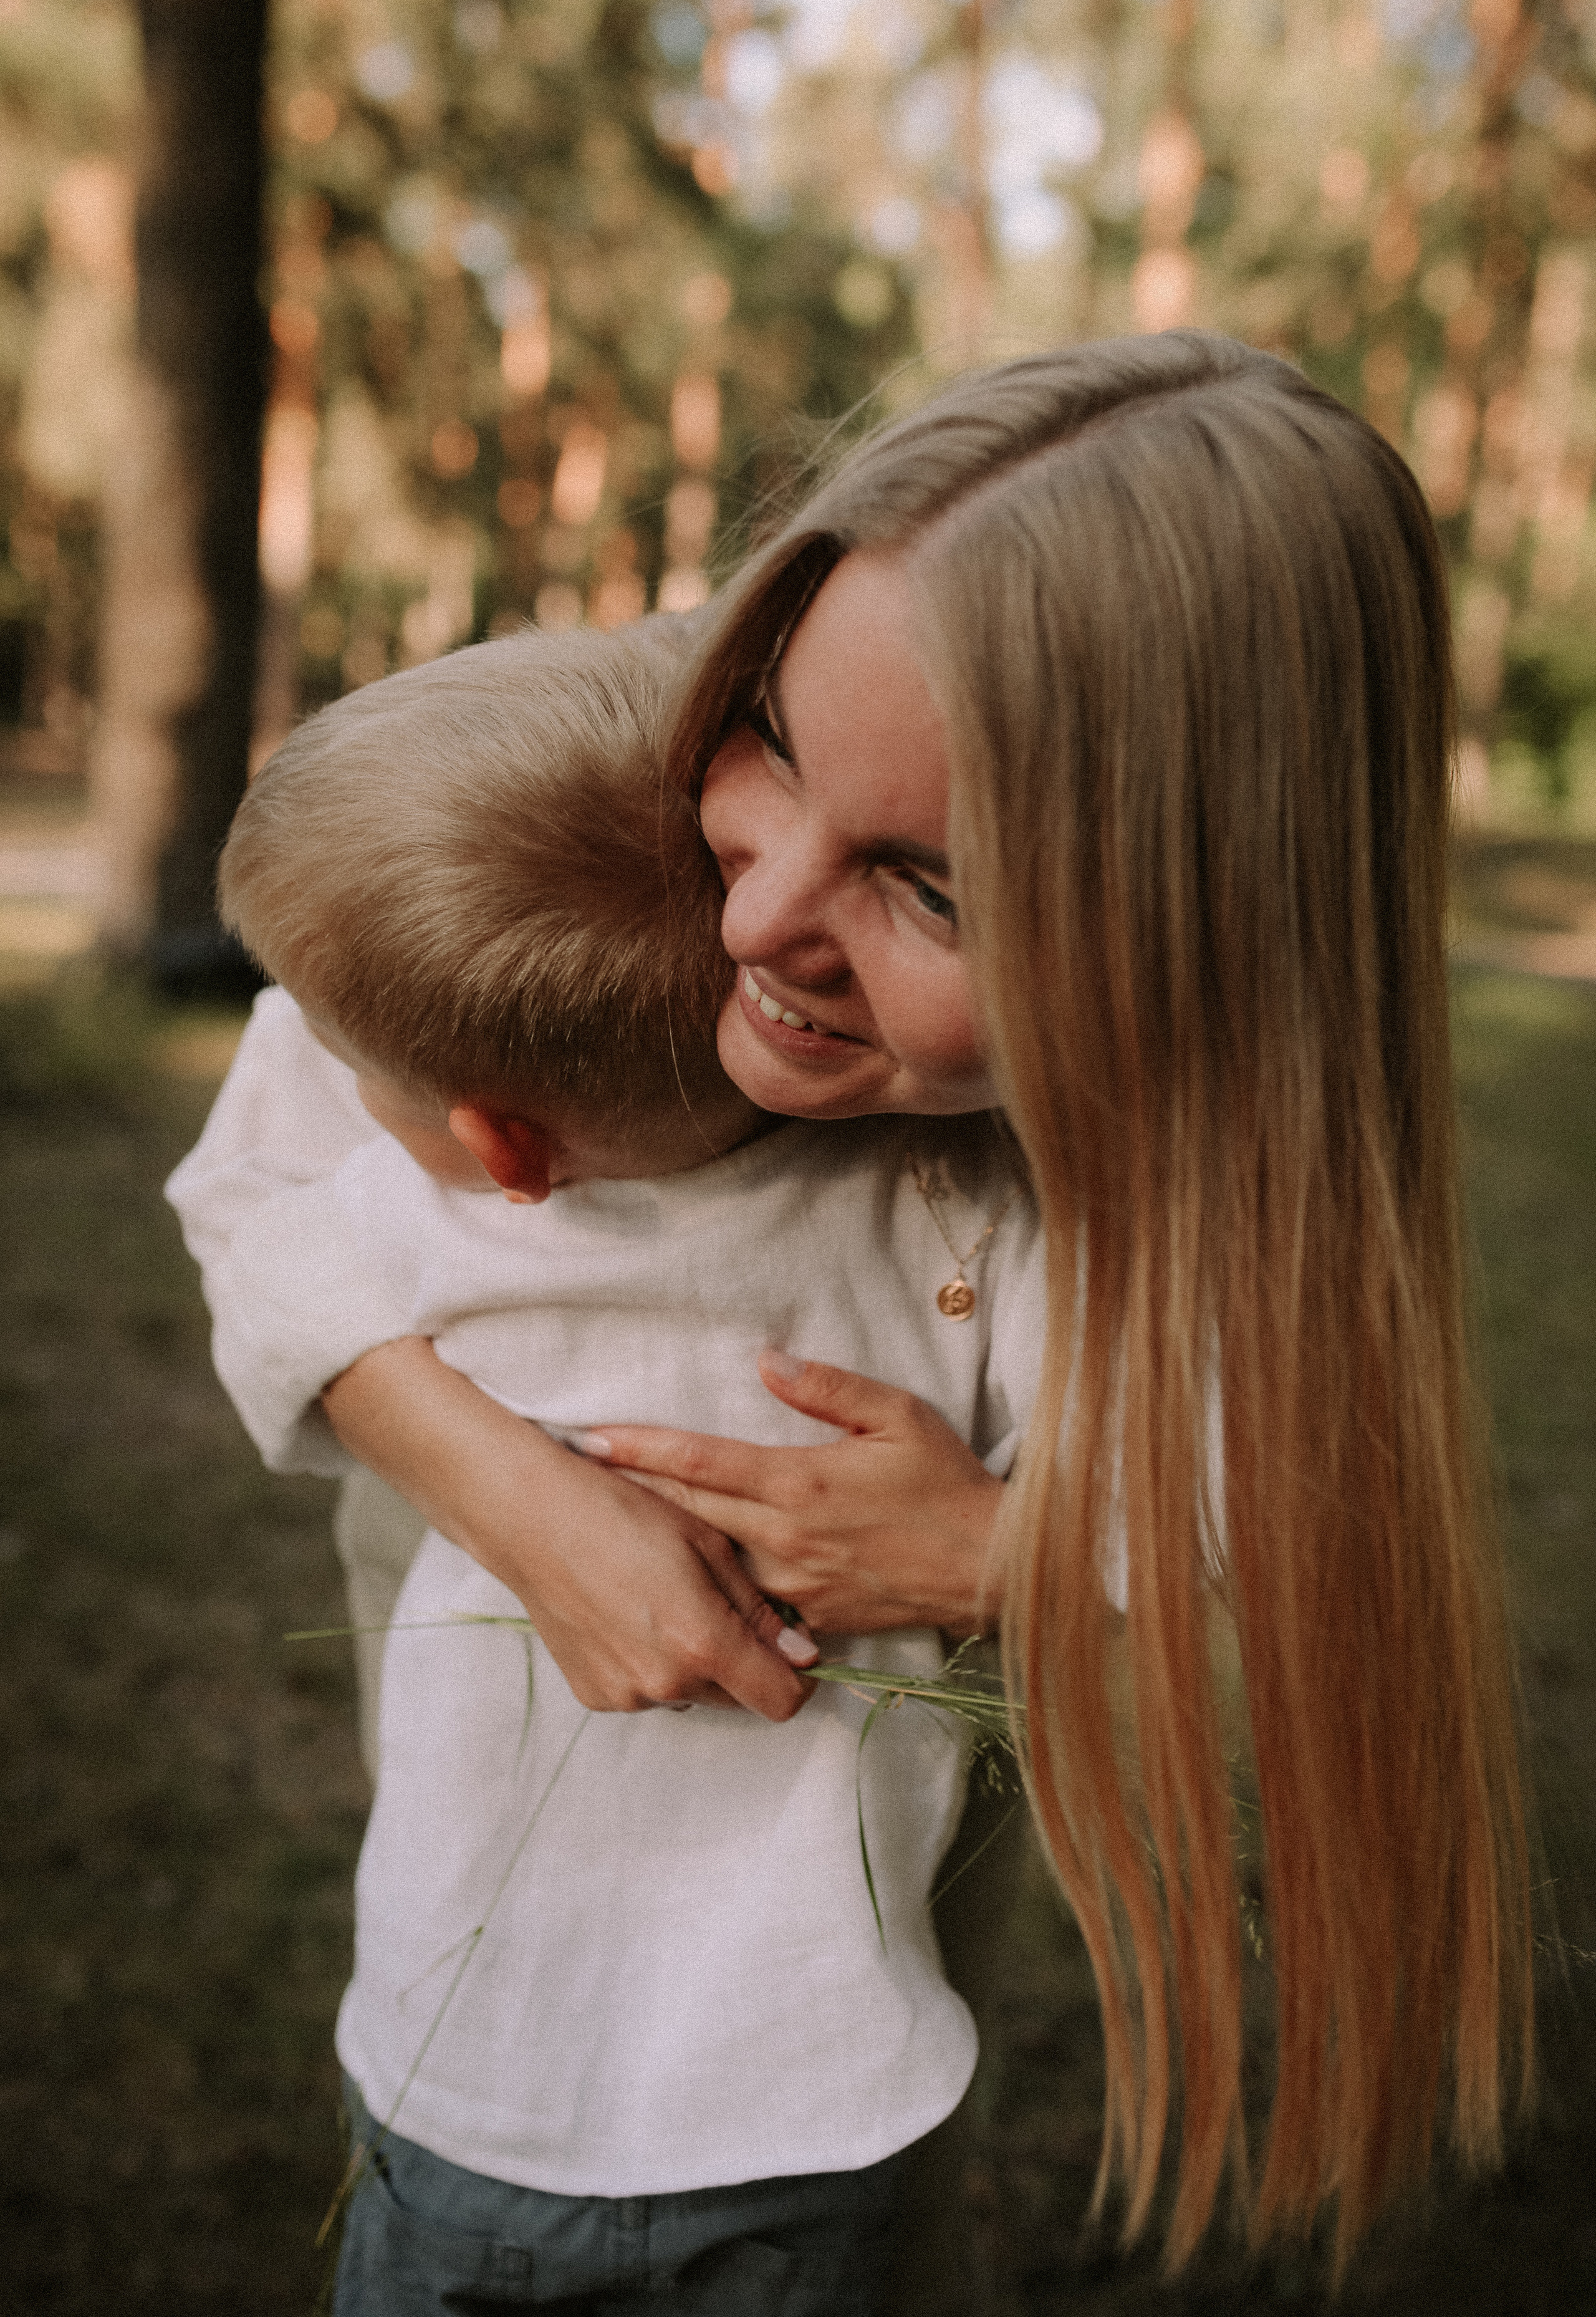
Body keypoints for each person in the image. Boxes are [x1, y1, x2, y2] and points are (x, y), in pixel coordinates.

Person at [313, 332, 1534, 2278]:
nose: (747, 913)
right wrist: (506, 1484)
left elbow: (1273, 1534)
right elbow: (263, 1157)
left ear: (1200, 942)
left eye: (931, 889)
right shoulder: (561, 787)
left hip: (795, 2091)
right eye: (771, 740)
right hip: (468, 2023)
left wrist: (1009, 1547)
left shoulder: (1100, 1203)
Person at [167, 615, 1045, 2316]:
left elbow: (262, 1174)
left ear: (496, 1145)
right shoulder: (974, 1211)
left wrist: (988, 1552)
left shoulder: (404, 1192)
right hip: (822, 2085)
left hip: (469, 2075)